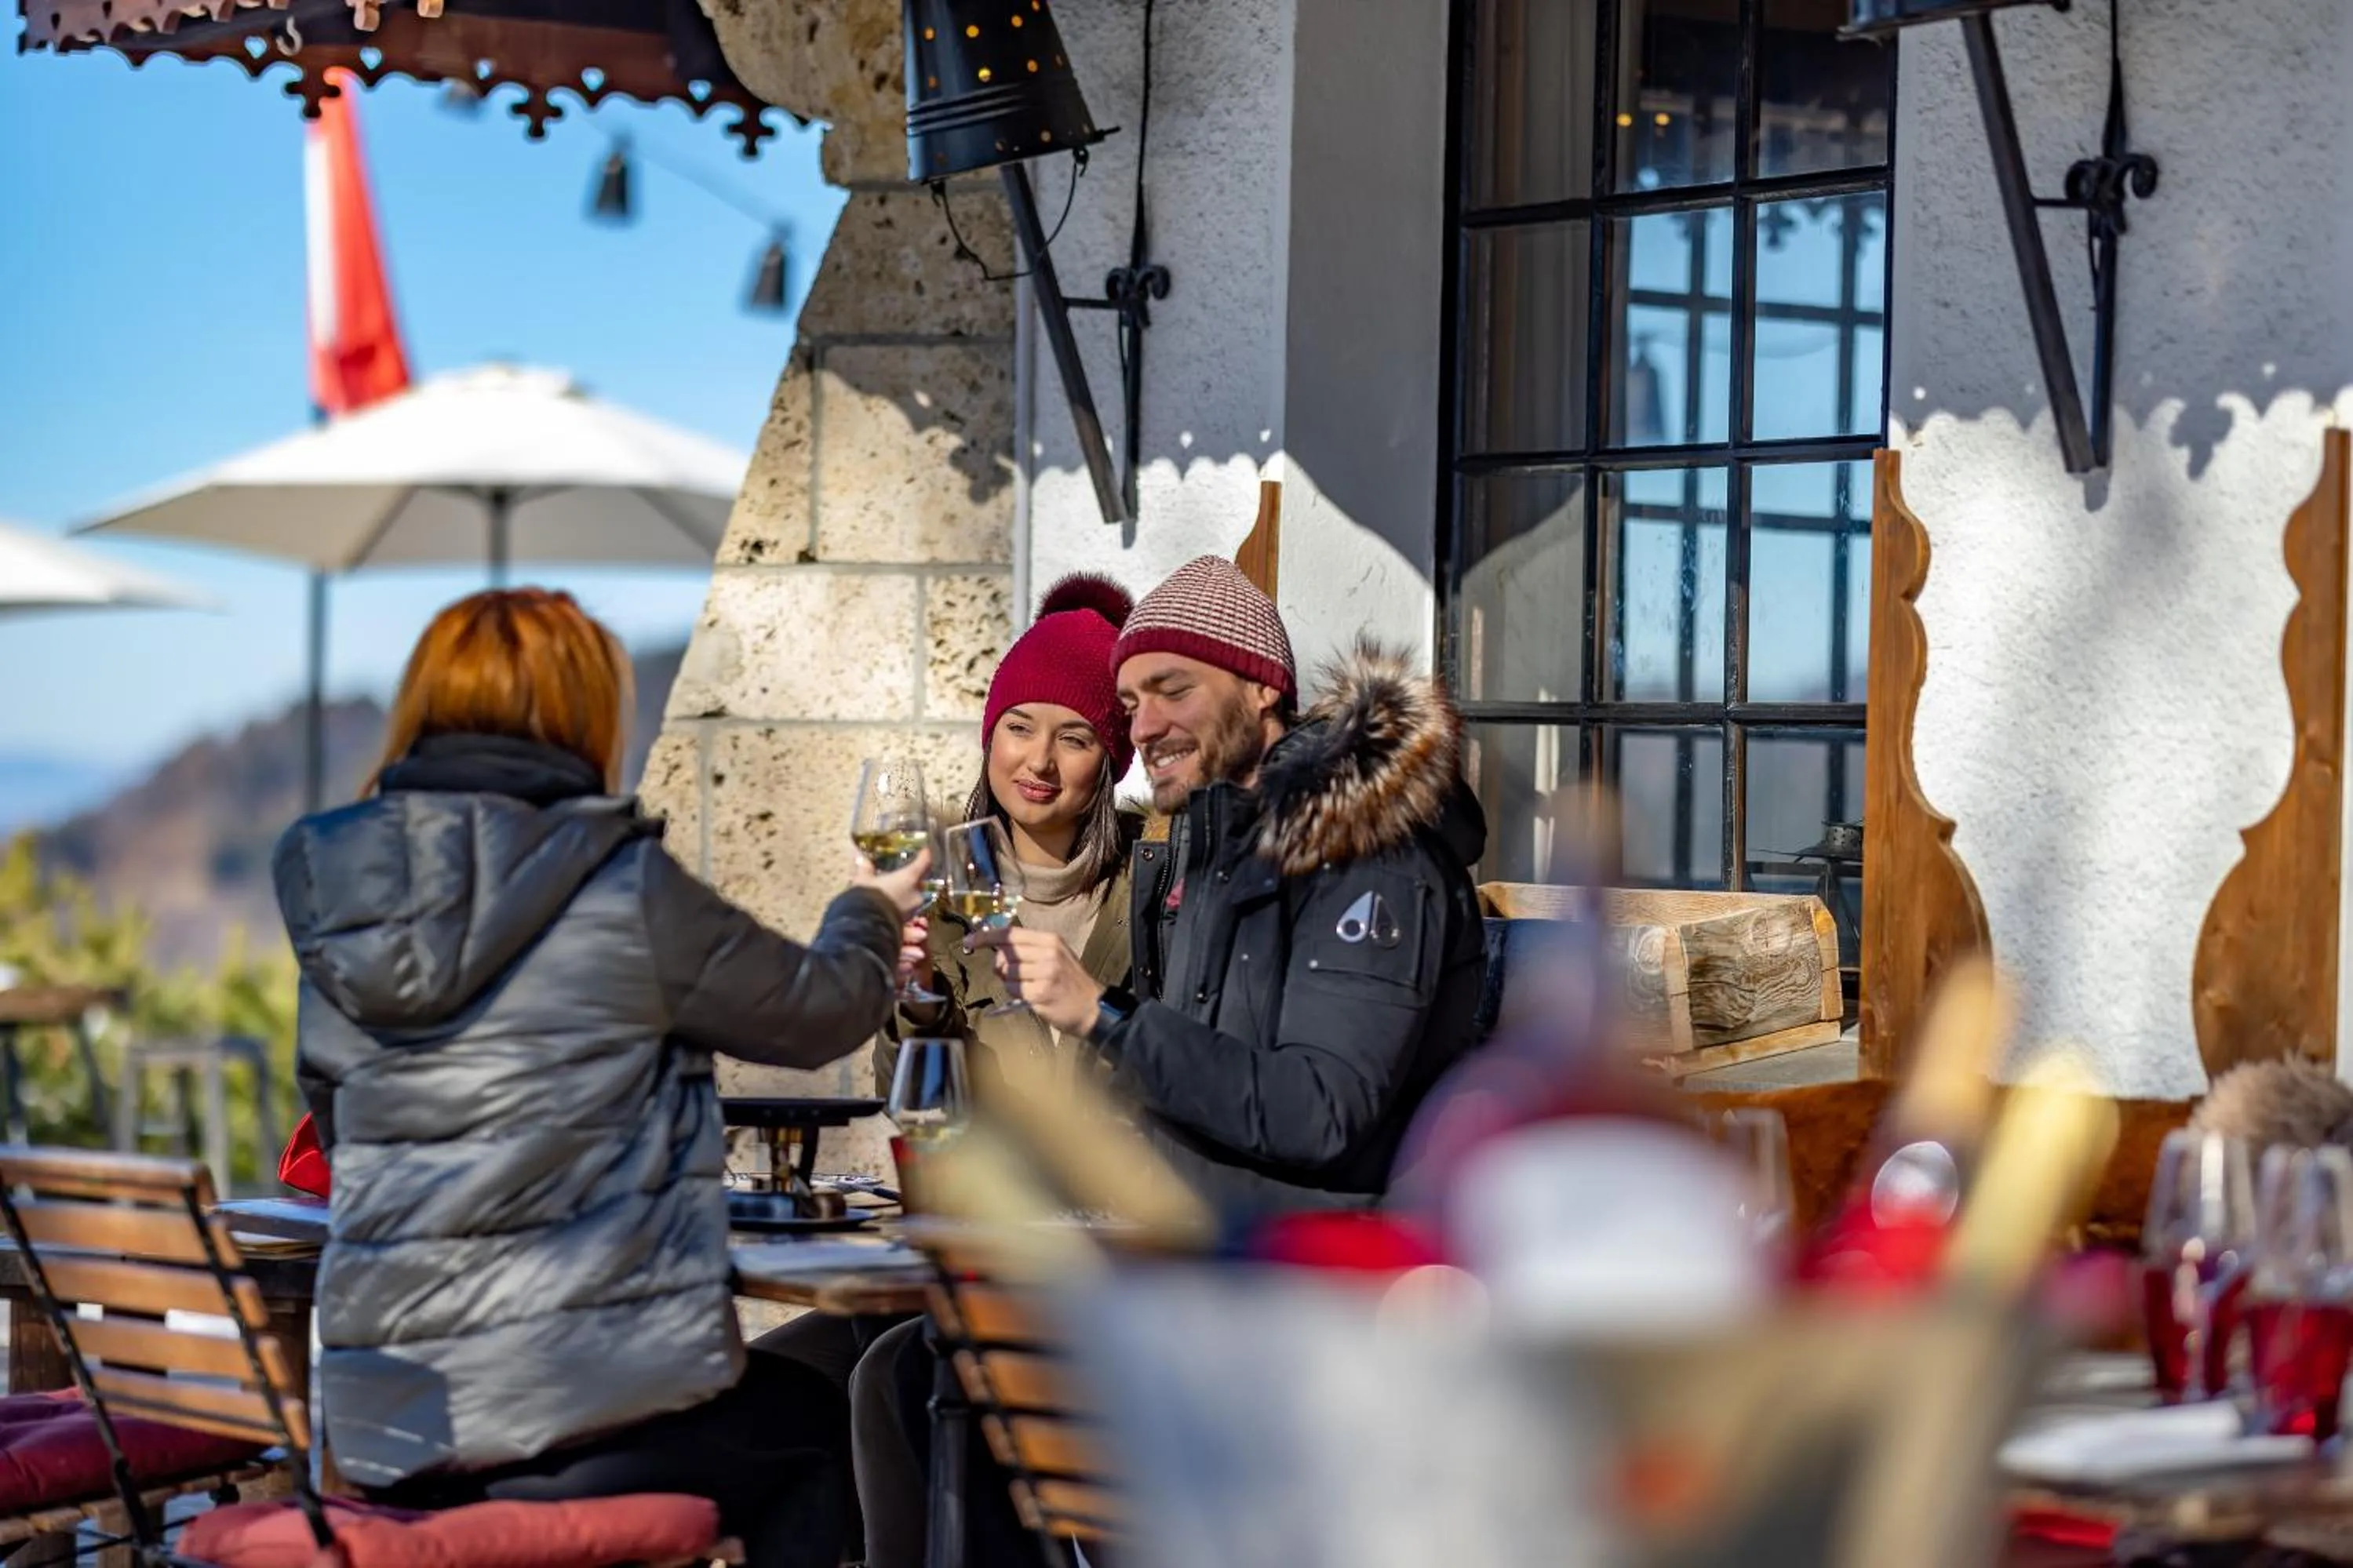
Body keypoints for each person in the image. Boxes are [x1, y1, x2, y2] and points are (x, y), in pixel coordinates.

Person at [273, 588, 930, 1568]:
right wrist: (870, 906)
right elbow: (823, 1009)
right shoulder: (615, 881)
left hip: (390, 1423)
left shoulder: (344, 893)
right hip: (570, 1413)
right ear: (584, 714)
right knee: (813, 1425)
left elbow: (336, 1119)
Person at [760, 573, 1140, 1568]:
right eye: (1019, 726)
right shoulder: (949, 883)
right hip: (964, 1237)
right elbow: (919, 1106)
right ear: (988, 734)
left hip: (1091, 1252)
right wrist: (906, 997)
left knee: (895, 1381)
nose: (1040, 762)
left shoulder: (1157, 887)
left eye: (1075, 735)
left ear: (1112, 757)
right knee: (761, 1385)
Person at [974, 554, 1490, 1217]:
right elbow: (1201, 1086)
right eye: (1131, 704)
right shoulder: (1216, 851)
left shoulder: (1370, 852)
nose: (1144, 727)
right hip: (1181, 1242)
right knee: (865, 1321)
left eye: (1174, 690)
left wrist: (1103, 1014)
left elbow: (1319, 1115)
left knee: (923, 1321)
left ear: (1260, 690)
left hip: (1308, 1271)